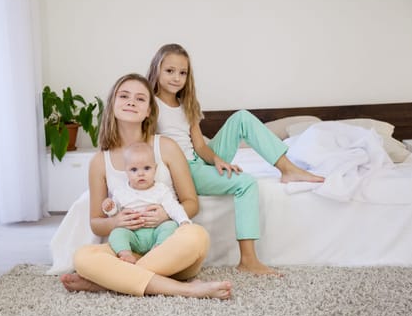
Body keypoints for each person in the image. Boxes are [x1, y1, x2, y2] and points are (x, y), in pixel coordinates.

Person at [146, 43, 325, 276]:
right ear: (157, 70)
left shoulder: (187, 104)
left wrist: (218, 160)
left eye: (182, 73)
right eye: (169, 71)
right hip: (183, 171)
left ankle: (287, 168)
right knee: (246, 182)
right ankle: (248, 260)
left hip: (198, 160)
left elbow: (199, 145)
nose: (176, 77)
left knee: (241, 117)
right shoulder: (150, 104)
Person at [60, 73, 231, 299]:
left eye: (140, 99)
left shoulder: (166, 147)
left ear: (149, 110)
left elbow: (191, 203)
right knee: (83, 257)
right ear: (112, 104)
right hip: (126, 250)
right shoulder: (100, 161)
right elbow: (96, 223)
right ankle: (186, 289)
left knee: (197, 236)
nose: (131, 101)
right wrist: (115, 221)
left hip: (169, 249)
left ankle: (110, 281)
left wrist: (164, 215)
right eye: (124, 96)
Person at [103, 141, 191, 264]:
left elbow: (173, 207)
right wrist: (109, 208)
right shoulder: (121, 192)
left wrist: (183, 221)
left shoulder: (161, 190)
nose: (140, 173)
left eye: (146, 168)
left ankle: (159, 249)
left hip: (156, 232)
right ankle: (126, 254)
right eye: (134, 169)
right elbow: (115, 214)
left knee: (170, 226)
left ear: (155, 169)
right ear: (126, 172)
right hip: (132, 234)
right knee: (116, 233)